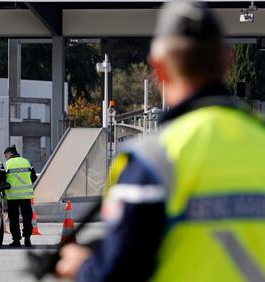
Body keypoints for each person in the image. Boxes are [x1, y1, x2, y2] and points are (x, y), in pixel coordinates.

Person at [55, 1, 265, 281]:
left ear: (159, 68)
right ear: (228, 61)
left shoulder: (153, 159)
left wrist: (80, 266)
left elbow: (118, 271)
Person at [0, 145, 37, 247]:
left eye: (6, 155)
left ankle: (16, 241)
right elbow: (33, 177)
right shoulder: (27, 162)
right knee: (27, 218)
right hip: (26, 196)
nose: (5, 157)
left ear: (10, 153)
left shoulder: (6, 164)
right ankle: (27, 239)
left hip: (12, 197)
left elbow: (0, 180)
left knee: (14, 220)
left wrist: (4, 186)